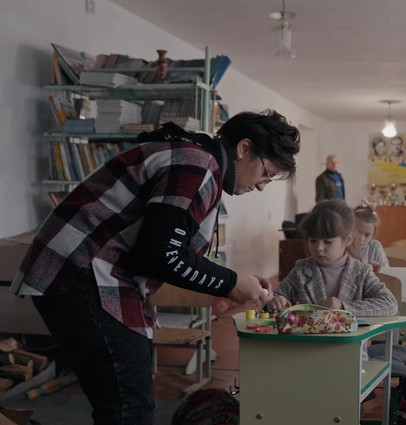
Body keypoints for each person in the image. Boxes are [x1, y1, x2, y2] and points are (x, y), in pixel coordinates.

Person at [10, 110, 301, 425]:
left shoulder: (198, 160)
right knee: (129, 406)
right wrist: (231, 282)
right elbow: (159, 255)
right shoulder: (198, 165)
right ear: (244, 149)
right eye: (266, 173)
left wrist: (237, 280)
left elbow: (165, 249)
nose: (262, 185)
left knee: (124, 401)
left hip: (82, 270)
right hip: (82, 272)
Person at [267, 199, 398, 316]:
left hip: (350, 343)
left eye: (328, 242)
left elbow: (390, 304)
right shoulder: (302, 270)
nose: (319, 248)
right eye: (313, 240)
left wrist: (344, 306)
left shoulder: (361, 272)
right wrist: (275, 301)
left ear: (348, 239)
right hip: (310, 343)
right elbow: (277, 297)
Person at [353, 200, 389, 273]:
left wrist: (379, 269)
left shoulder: (376, 246)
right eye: (358, 232)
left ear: (373, 235)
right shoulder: (345, 246)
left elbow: (387, 272)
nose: (361, 238)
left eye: (367, 235)